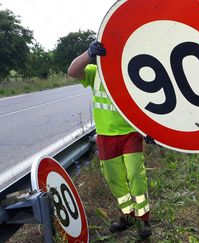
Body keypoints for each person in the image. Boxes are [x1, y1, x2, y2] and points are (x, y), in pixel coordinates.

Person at [68, 41, 152, 239]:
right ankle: (127, 216)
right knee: (115, 179)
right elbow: (72, 71)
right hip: (106, 135)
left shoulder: (131, 72)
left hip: (130, 133)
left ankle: (143, 218)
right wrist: (88, 53)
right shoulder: (94, 72)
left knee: (136, 176)